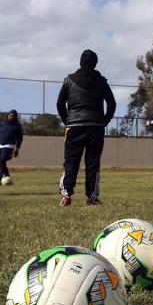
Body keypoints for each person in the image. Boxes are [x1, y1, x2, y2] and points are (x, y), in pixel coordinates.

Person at [57, 49, 116, 207]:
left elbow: (59, 104)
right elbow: (112, 104)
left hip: (74, 126)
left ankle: (67, 195)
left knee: (71, 162)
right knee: (93, 163)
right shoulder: (102, 82)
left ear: (80, 62)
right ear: (95, 63)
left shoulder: (69, 80)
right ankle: (92, 197)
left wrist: (67, 120)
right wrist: (104, 121)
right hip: (95, 127)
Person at [0, 109, 23, 185]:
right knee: (1, 162)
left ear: (15, 117)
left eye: (13, 116)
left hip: (9, 146)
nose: (11, 116)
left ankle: (6, 176)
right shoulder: (2, 123)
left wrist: (17, 149)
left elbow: (20, 138)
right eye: (10, 115)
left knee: (2, 160)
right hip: (0, 146)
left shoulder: (17, 126)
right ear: (8, 115)